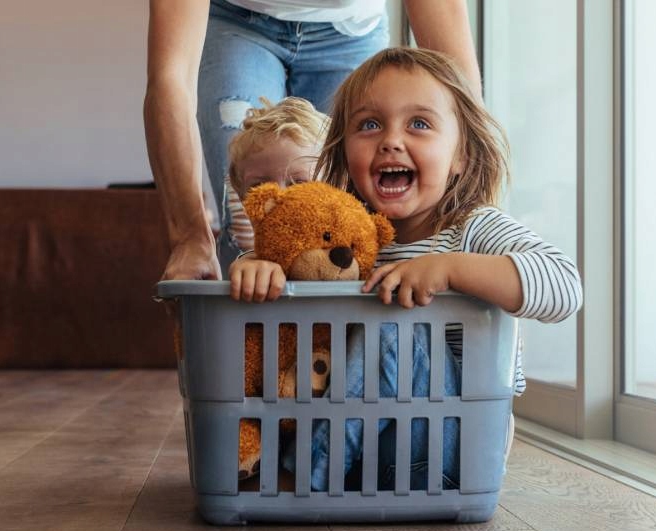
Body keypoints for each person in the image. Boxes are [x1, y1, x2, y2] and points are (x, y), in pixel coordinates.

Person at [235, 47, 584, 491]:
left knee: (395, 326)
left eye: (419, 124)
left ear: (460, 157)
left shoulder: (472, 229)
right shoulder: (350, 239)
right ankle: (296, 459)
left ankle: (302, 474)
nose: (390, 140)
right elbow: (294, 270)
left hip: (449, 447)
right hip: (364, 456)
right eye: (369, 124)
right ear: (344, 154)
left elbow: (564, 286)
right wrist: (256, 265)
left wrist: (449, 269)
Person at [145, 0, 483, 281]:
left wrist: (475, 230)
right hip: (236, 22)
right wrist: (190, 238)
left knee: (359, 220)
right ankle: (257, 357)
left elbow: (458, 92)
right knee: (247, 220)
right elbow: (169, 78)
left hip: (352, 29)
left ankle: (346, 357)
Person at [223, 96, 328, 300]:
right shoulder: (253, 262)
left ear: (337, 188)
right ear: (243, 199)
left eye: (299, 184)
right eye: (260, 186)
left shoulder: (357, 248)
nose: (279, 200)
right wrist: (248, 268)